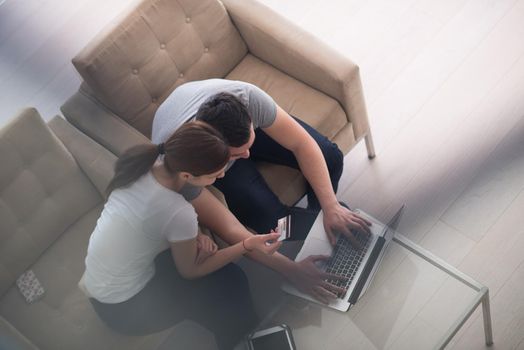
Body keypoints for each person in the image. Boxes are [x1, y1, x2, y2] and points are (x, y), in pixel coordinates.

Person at [151, 78, 371, 303]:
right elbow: (230, 229)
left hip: (219, 123)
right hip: (199, 144)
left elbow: (301, 144)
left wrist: (330, 205)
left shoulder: (247, 98)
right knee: (270, 219)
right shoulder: (186, 168)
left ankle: (323, 222)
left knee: (331, 157)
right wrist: (292, 270)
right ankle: (320, 226)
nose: (247, 156)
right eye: (237, 154)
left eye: (249, 146)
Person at [81, 121, 281, 350]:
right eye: (215, 175)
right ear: (187, 175)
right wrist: (247, 244)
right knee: (230, 285)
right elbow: (191, 272)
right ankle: (247, 338)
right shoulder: (177, 211)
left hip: (101, 285)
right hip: (123, 308)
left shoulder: (142, 166)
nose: (222, 176)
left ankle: (248, 334)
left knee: (220, 286)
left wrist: (193, 237)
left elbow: (142, 223)